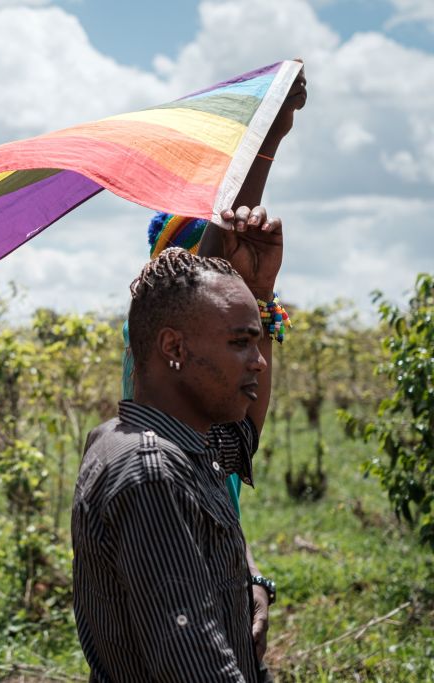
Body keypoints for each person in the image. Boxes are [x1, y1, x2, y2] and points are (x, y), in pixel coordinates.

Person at [72, 204, 286, 681]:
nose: (259, 361)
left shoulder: (182, 445)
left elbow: (242, 434)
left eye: (258, 340)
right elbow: (197, 668)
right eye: (239, 343)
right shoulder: (152, 473)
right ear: (173, 348)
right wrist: (267, 141)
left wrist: (261, 291)